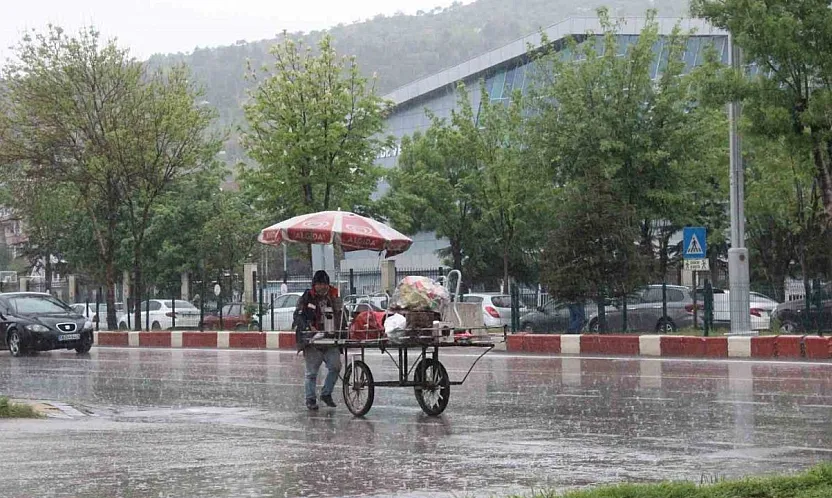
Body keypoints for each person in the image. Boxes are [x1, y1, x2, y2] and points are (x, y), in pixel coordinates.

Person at [294, 270, 342, 411]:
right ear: (314, 285)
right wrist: (308, 326)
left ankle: (326, 393)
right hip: (312, 340)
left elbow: (341, 315)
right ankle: (310, 399)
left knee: (336, 367)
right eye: (320, 284)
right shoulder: (306, 298)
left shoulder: (334, 297)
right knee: (312, 373)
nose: (323, 287)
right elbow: (298, 316)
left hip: (330, 338)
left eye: (325, 284)